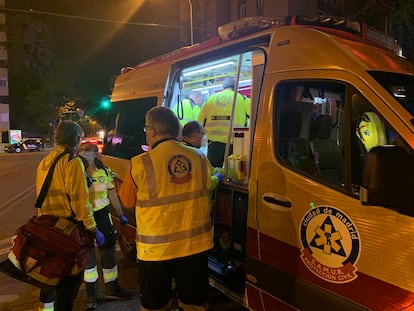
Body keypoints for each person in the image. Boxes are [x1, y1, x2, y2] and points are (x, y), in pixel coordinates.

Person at [119, 107, 214, 311]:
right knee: (194, 305)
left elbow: (126, 200)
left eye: (146, 128)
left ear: (152, 131)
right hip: (194, 247)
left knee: (155, 306)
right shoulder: (200, 158)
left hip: (156, 251)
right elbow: (207, 188)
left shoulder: (140, 163)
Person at [36, 120, 105, 311]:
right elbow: (80, 202)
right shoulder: (72, 162)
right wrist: (93, 229)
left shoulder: (45, 161)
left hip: (46, 228)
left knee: (51, 279)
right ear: (75, 139)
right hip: (66, 232)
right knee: (68, 287)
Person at [79, 142, 133, 310]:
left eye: (88, 151)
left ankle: (112, 288)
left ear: (95, 154)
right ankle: (91, 295)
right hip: (85, 218)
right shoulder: (77, 173)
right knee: (89, 260)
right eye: (82, 151)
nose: (84, 154)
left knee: (109, 253)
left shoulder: (104, 172)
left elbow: (112, 194)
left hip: (103, 216)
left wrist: (120, 214)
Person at [197, 77, 249, 167]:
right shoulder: (243, 99)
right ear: (236, 87)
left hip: (213, 144)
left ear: (223, 87)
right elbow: (255, 117)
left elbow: (199, 121)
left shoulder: (210, 99)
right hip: (234, 144)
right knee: (232, 174)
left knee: (212, 171)